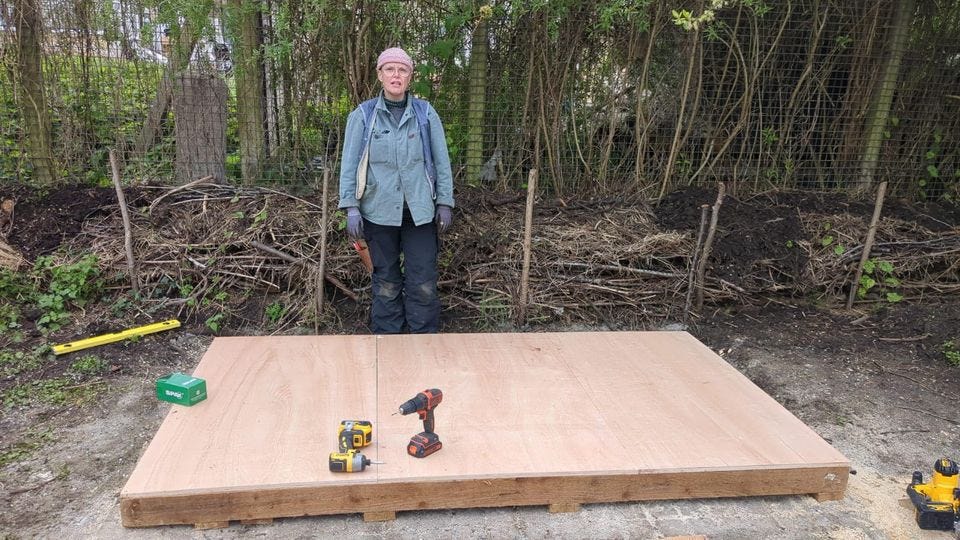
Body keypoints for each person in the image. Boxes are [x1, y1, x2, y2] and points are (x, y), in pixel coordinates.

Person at [337, 47, 455, 334]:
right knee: (386, 282)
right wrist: (351, 207)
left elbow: (441, 161)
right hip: (378, 213)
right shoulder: (363, 116)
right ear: (380, 75)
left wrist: (445, 202)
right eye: (389, 69)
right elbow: (349, 164)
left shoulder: (425, 114)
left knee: (423, 281)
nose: (396, 75)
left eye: (402, 70)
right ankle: (388, 339)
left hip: (420, 213)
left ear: (410, 77)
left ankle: (422, 339)